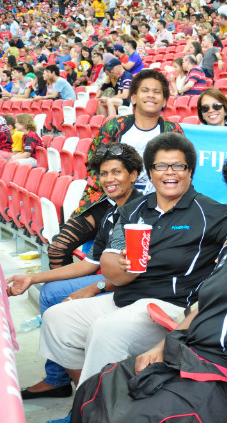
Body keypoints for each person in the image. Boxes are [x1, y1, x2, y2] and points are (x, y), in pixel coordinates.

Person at [69, 141, 227, 423]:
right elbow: (203, 307)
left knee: (131, 415)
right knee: (97, 390)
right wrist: (164, 345)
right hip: (191, 358)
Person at [39, 133, 227, 396]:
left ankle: (93, 405)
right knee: (57, 318)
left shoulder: (213, 213)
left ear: (190, 171)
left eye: (178, 165)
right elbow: (109, 261)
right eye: (161, 166)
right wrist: (122, 266)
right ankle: (92, 397)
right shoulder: (133, 209)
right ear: (150, 173)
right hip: (125, 298)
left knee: (105, 330)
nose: (169, 172)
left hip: (170, 306)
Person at [8, 144, 143, 400]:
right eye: (104, 174)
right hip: (110, 279)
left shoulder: (142, 211)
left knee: (53, 296)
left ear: (134, 175)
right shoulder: (111, 212)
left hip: (132, 287)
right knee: (50, 291)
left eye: (116, 172)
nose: (109, 179)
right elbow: (89, 264)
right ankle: (70, 385)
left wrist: (95, 287)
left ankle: (85, 396)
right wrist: (32, 278)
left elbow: (135, 272)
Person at [47, 70, 184, 270]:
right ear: (133, 97)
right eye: (145, 90)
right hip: (105, 200)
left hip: (151, 206)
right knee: (58, 248)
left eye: (157, 92)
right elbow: (93, 163)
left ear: (164, 101)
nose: (151, 95)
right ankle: (69, 287)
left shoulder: (173, 131)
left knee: (120, 263)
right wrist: (112, 189)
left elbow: (179, 169)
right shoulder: (115, 126)